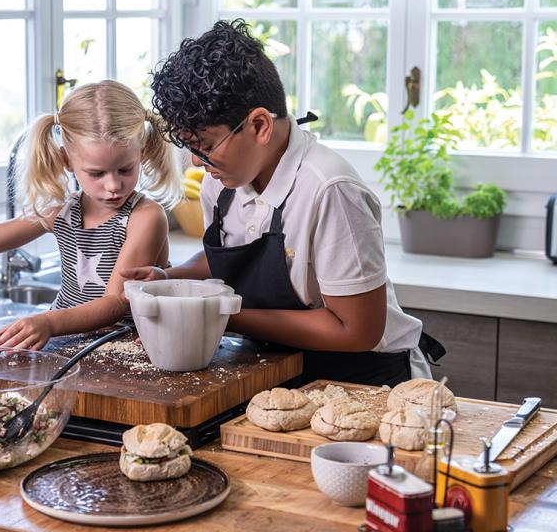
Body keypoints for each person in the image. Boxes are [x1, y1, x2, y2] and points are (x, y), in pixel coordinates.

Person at [123, 20, 443, 386]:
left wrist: (216, 314)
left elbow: (358, 331)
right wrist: (170, 278)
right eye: (191, 148)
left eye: (206, 146)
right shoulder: (225, 180)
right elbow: (231, 253)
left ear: (259, 126)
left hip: (365, 378)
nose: (197, 161)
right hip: (275, 366)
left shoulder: (329, 190)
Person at [0, 80, 180, 351]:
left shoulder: (145, 217)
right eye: (97, 173)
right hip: (67, 344)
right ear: (66, 160)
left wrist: (48, 322)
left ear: (141, 154)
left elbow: (115, 303)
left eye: (125, 169)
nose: (113, 185)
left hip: (125, 349)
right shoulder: (63, 211)